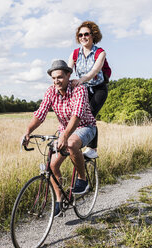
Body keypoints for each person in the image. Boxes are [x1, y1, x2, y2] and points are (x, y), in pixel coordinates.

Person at [22, 60, 96, 217]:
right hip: (65, 131)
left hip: (86, 127)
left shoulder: (79, 89)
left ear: (69, 75)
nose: (57, 81)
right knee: (52, 166)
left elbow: (77, 116)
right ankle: (59, 201)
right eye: (54, 78)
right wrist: (28, 131)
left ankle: (83, 180)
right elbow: (40, 114)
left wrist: (64, 136)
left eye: (60, 77)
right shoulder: (51, 92)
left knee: (71, 144)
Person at [68, 21, 108, 159]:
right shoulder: (74, 53)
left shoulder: (100, 52)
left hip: (98, 89)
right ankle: (76, 142)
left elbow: (95, 71)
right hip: (83, 90)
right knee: (76, 115)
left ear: (93, 35)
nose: (83, 37)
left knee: (89, 115)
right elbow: (68, 71)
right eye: (80, 35)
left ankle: (92, 148)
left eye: (86, 34)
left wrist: (81, 80)